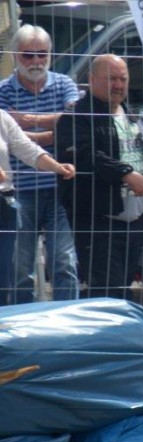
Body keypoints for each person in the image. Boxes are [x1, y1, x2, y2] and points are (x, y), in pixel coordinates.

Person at [55, 54, 143, 302]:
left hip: (134, 220)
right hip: (98, 220)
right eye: (111, 78)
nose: (118, 85)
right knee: (104, 293)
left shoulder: (135, 114)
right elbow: (82, 153)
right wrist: (125, 173)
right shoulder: (75, 117)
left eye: (123, 78)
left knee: (123, 290)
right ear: (91, 79)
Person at [0, 24, 80, 304]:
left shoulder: (64, 83)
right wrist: (54, 130)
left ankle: (67, 326)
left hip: (60, 188)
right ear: (15, 55)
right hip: (19, 192)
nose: (36, 61)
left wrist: (29, 123)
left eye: (42, 54)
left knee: (65, 262)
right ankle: (23, 326)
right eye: (28, 55)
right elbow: (11, 140)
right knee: (20, 268)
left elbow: (75, 124)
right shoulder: (3, 91)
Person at [0, 108, 74, 305]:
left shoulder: (2, 117)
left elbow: (27, 149)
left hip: (5, 205)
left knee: (4, 276)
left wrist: (57, 167)